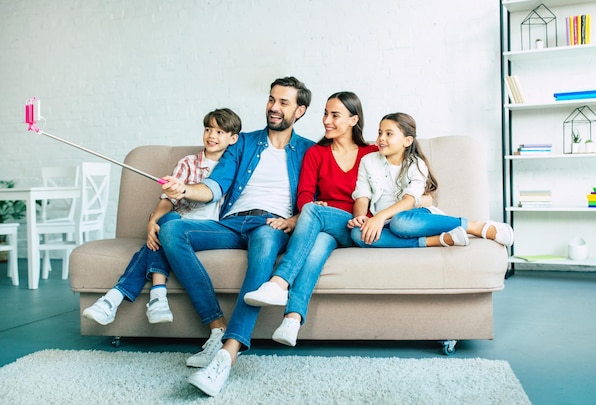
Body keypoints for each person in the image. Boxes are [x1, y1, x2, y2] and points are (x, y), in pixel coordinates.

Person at [158, 77, 315, 396]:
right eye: (272, 99)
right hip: (231, 223)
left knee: (265, 246)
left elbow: (318, 203)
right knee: (172, 227)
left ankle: (226, 355)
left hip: (270, 225)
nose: (273, 107)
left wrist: (294, 219)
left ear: (300, 111)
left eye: (284, 103)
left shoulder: (310, 151)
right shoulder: (242, 142)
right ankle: (216, 328)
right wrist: (185, 189)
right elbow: (215, 186)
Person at [243, 92, 432, 348]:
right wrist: (307, 208)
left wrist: (419, 201)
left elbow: (408, 180)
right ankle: (292, 319)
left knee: (311, 212)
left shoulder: (374, 151)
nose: (326, 121)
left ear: (354, 119)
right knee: (317, 244)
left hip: (359, 226)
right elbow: (305, 195)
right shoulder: (316, 153)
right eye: (325, 114)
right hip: (326, 227)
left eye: (335, 115)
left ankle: (279, 281)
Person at [81, 108, 241, 326]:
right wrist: (152, 221)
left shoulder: (236, 168)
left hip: (209, 230)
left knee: (169, 228)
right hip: (180, 221)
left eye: (220, 132)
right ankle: (156, 298)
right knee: (166, 223)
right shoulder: (188, 163)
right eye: (208, 129)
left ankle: (116, 297)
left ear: (233, 138)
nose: (212, 136)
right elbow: (167, 200)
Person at [348, 112, 514, 249]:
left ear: (407, 141)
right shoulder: (368, 161)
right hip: (385, 222)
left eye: (389, 134)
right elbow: (362, 195)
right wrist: (360, 217)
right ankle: (441, 240)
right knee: (357, 234)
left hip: (412, 217)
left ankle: (475, 226)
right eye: (379, 133)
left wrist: (380, 217)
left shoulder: (416, 164)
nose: (381, 138)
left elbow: (410, 200)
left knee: (400, 223)